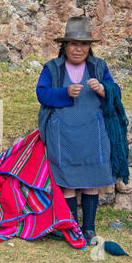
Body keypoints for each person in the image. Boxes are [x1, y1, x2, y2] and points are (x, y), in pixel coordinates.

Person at [36, 16, 122, 245]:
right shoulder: (52, 68)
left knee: (92, 181)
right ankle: (73, 228)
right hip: (63, 135)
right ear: (64, 46)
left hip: (93, 133)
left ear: (89, 47)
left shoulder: (98, 66)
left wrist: (103, 89)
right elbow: (42, 94)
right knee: (69, 182)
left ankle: (89, 229)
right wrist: (64, 93)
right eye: (74, 43)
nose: (79, 48)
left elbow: (116, 93)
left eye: (83, 44)